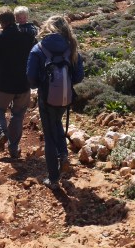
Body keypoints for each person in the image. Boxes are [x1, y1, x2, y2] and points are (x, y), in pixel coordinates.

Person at [26, 15, 84, 190]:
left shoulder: (39, 48)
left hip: (46, 97)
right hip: (65, 97)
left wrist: (43, 85)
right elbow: (79, 76)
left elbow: (30, 78)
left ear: (48, 28)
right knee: (56, 123)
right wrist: (64, 84)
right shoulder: (71, 47)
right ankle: (64, 155)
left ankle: (53, 179)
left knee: (49, 136)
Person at [0, 6, 36, 158]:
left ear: (1, 23)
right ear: (14, 19)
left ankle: (1, 131)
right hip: (24, 84)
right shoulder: (28, 36)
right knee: (18, 115)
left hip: (4, 85)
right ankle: (14, 148)